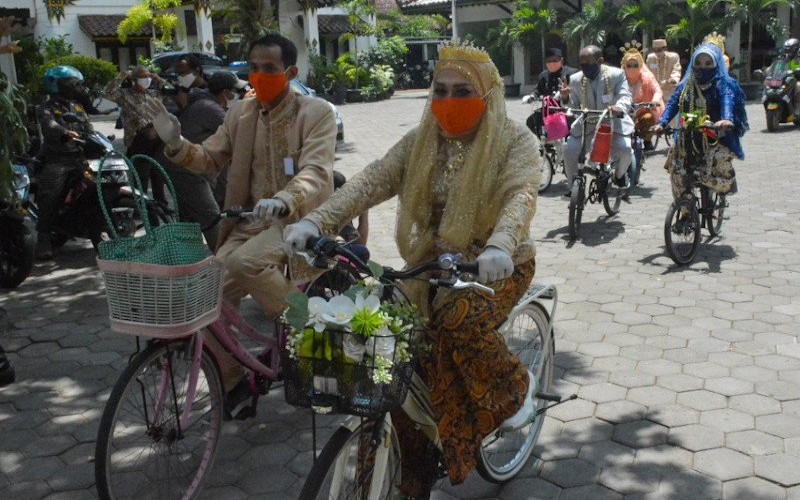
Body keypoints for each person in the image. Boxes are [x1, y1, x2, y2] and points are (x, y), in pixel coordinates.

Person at [284, 40, 541, 498]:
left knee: (456, 322)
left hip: (495, 266)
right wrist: (316, 220)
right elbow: (372, 179)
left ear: (487, 94)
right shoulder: (423, 139)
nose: (447, 102)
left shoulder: (514, 141)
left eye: (462, 91)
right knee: (385, 347)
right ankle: (408, 471)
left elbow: (520, 196)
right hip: (429, 266)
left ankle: (511, 391)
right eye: (438, 90)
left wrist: (500, 246)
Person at [146, 33, 337, 418]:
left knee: (244, 264)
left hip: (300, 221)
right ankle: (234, 384)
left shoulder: (316, 112)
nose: (260, 75)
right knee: (201, 298)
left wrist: (285, 198)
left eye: (270, 69)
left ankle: (314, 335)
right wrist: (176, 144)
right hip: (249, 223)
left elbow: (316, 170)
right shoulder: (241, 114)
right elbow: (209, 159)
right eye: (254, 68)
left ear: (291, 72)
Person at [161, 71, 249, 250]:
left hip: (186, 169)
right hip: (190, 173)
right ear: (226, 93)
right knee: (211, 218)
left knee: (190, 222)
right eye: (237, 91)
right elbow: (239, 133)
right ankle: (223, 264)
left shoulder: (205, 103)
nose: (239, 96)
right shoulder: (210, 108)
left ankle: (191, 264)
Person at [652, 43, 748, 202]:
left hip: (717, 137)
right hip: (689, 136)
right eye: (698, 63)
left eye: (708, 63)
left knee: (716, 160)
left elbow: (727, 102)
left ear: (716, 63)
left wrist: (726, 119)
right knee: (676, 165)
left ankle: (725, 184)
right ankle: (684, 208)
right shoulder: (685, 84)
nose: (702, 67)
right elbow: (673, 104)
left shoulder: (724, 84)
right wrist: (661, 123)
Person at [34, 66, 96, 260]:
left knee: (97, 187)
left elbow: (88, 127)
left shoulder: (76, 106)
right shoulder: (46, 107)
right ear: (57, 85)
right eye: (72, 83)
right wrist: (64, 132)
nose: (76, 87)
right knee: (50, 195)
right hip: (58, 159)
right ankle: (43, 238)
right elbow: (49, 125)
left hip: (79, 157)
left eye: (77, 83)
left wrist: (97, 138)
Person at [560, 45, 634, 194]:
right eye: (581, 64)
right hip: (586, 124)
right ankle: (573, 185)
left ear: (600, 61)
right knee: (569, 151)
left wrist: (619, 107)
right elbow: (573, 105)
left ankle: (619, 176)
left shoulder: (617, 75)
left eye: (588, 63)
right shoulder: (575, 79)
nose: (585, 67)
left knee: (625, 149)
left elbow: (625, 96)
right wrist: (565, 97)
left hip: (612, 123)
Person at [104, 66, 169, 205]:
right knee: (141, 177)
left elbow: (172, 91)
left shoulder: (154, 94)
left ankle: (161, 205)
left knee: (158, 174)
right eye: (143, 77)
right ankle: (141, 207)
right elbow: (108, 92)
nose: (147, 79)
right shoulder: (125, 94)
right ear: (134, 80)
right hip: (138, 139)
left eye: (148, 76)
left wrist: (159, 79)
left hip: (157, 139)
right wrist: (123, 75)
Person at [524, 47, 578, 138]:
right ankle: (546, 143)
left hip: (565, 109)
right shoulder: (543, 75)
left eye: (555, 60)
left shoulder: (572, 73)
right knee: (531, 121)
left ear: (561, 60)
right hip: (549, 109)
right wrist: (532, 96)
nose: (552, 63)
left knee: (570, 124)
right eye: (549, 61)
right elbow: (538, 89)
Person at [621, 41, 664, 150]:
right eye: (629, 65)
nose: (632, 68)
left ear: (640, 65)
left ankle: (647, 140)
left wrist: (654, 101)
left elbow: (657, 90)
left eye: (635, 65)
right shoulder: (619, 78)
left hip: (644, 110)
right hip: (624, 111)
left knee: (648, 118)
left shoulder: (648, 78)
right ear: (624, 65)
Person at [647, 39, 682, 104]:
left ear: (665, 48)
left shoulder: (673, 57)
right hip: (654, 91)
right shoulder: (650, 58)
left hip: (669, 90)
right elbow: (647, 72)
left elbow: (676, 69)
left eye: (659, 50)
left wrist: (673, 79)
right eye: (655, 50)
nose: (657, 52)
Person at [781, 38, 800, 122]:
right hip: (786, 79)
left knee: (798, 86)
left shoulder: (799, 58)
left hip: (797, 79)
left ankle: (797, 108)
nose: (788, 52)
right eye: (787, 50)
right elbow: (777, 66)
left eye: (790, 50)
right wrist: (767, 70)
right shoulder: (784, 57)